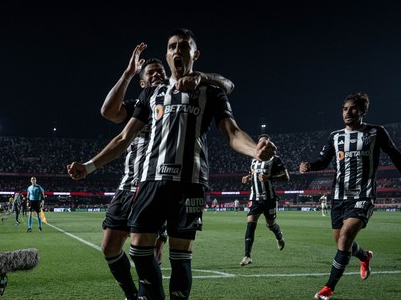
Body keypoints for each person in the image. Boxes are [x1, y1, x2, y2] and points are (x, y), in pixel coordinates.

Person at [68, 28, 276, 299]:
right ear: (167, 55)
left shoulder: (211, 93)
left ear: (195, 54)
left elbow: (232, 133)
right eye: (172, 46)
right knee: (139, 252)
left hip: (190, 185)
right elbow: (123, 136)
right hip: (150, 181)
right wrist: (91, 165)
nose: (178, 50)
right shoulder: (151, 94)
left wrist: (254, 151)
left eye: (184, 46)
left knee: (180, 258)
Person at [99, 42, 235, 300]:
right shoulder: (142, 102)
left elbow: (226, 85)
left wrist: (199, 77)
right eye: (151, 73)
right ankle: (133, 295)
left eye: (160, 71)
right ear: (142, 82)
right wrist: (128, 73)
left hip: (163, 184)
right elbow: (109, 112)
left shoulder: (184, 96)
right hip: (131, 186)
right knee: (110, 247)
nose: (158, 74)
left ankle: (148, 295)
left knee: (160, 253)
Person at [299, 92, 401, 300]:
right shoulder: (335, 137)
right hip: (339, 196)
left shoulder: (375, 132)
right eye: (345, 108)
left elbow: (394, 154)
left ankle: (328, 288)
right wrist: (309, 166)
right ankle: (365, 256)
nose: (348, 112)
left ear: (362, 111)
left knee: (345, 238)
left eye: (353, 108)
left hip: (363, 195)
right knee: (341, 243)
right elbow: (323, 161)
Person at [239, 134, 289, 267]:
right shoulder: (253, 159)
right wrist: (247, 178)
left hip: (269, 199)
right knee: (250, 224)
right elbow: (252, 174)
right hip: (255, 198)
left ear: (268, 144)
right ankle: (247, 256)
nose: (261, 145)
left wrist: (270, 177)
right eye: (260, 143)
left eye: (264, 143)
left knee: (270, 224)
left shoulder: (275, 159)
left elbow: (286, 177)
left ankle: (279, 236)